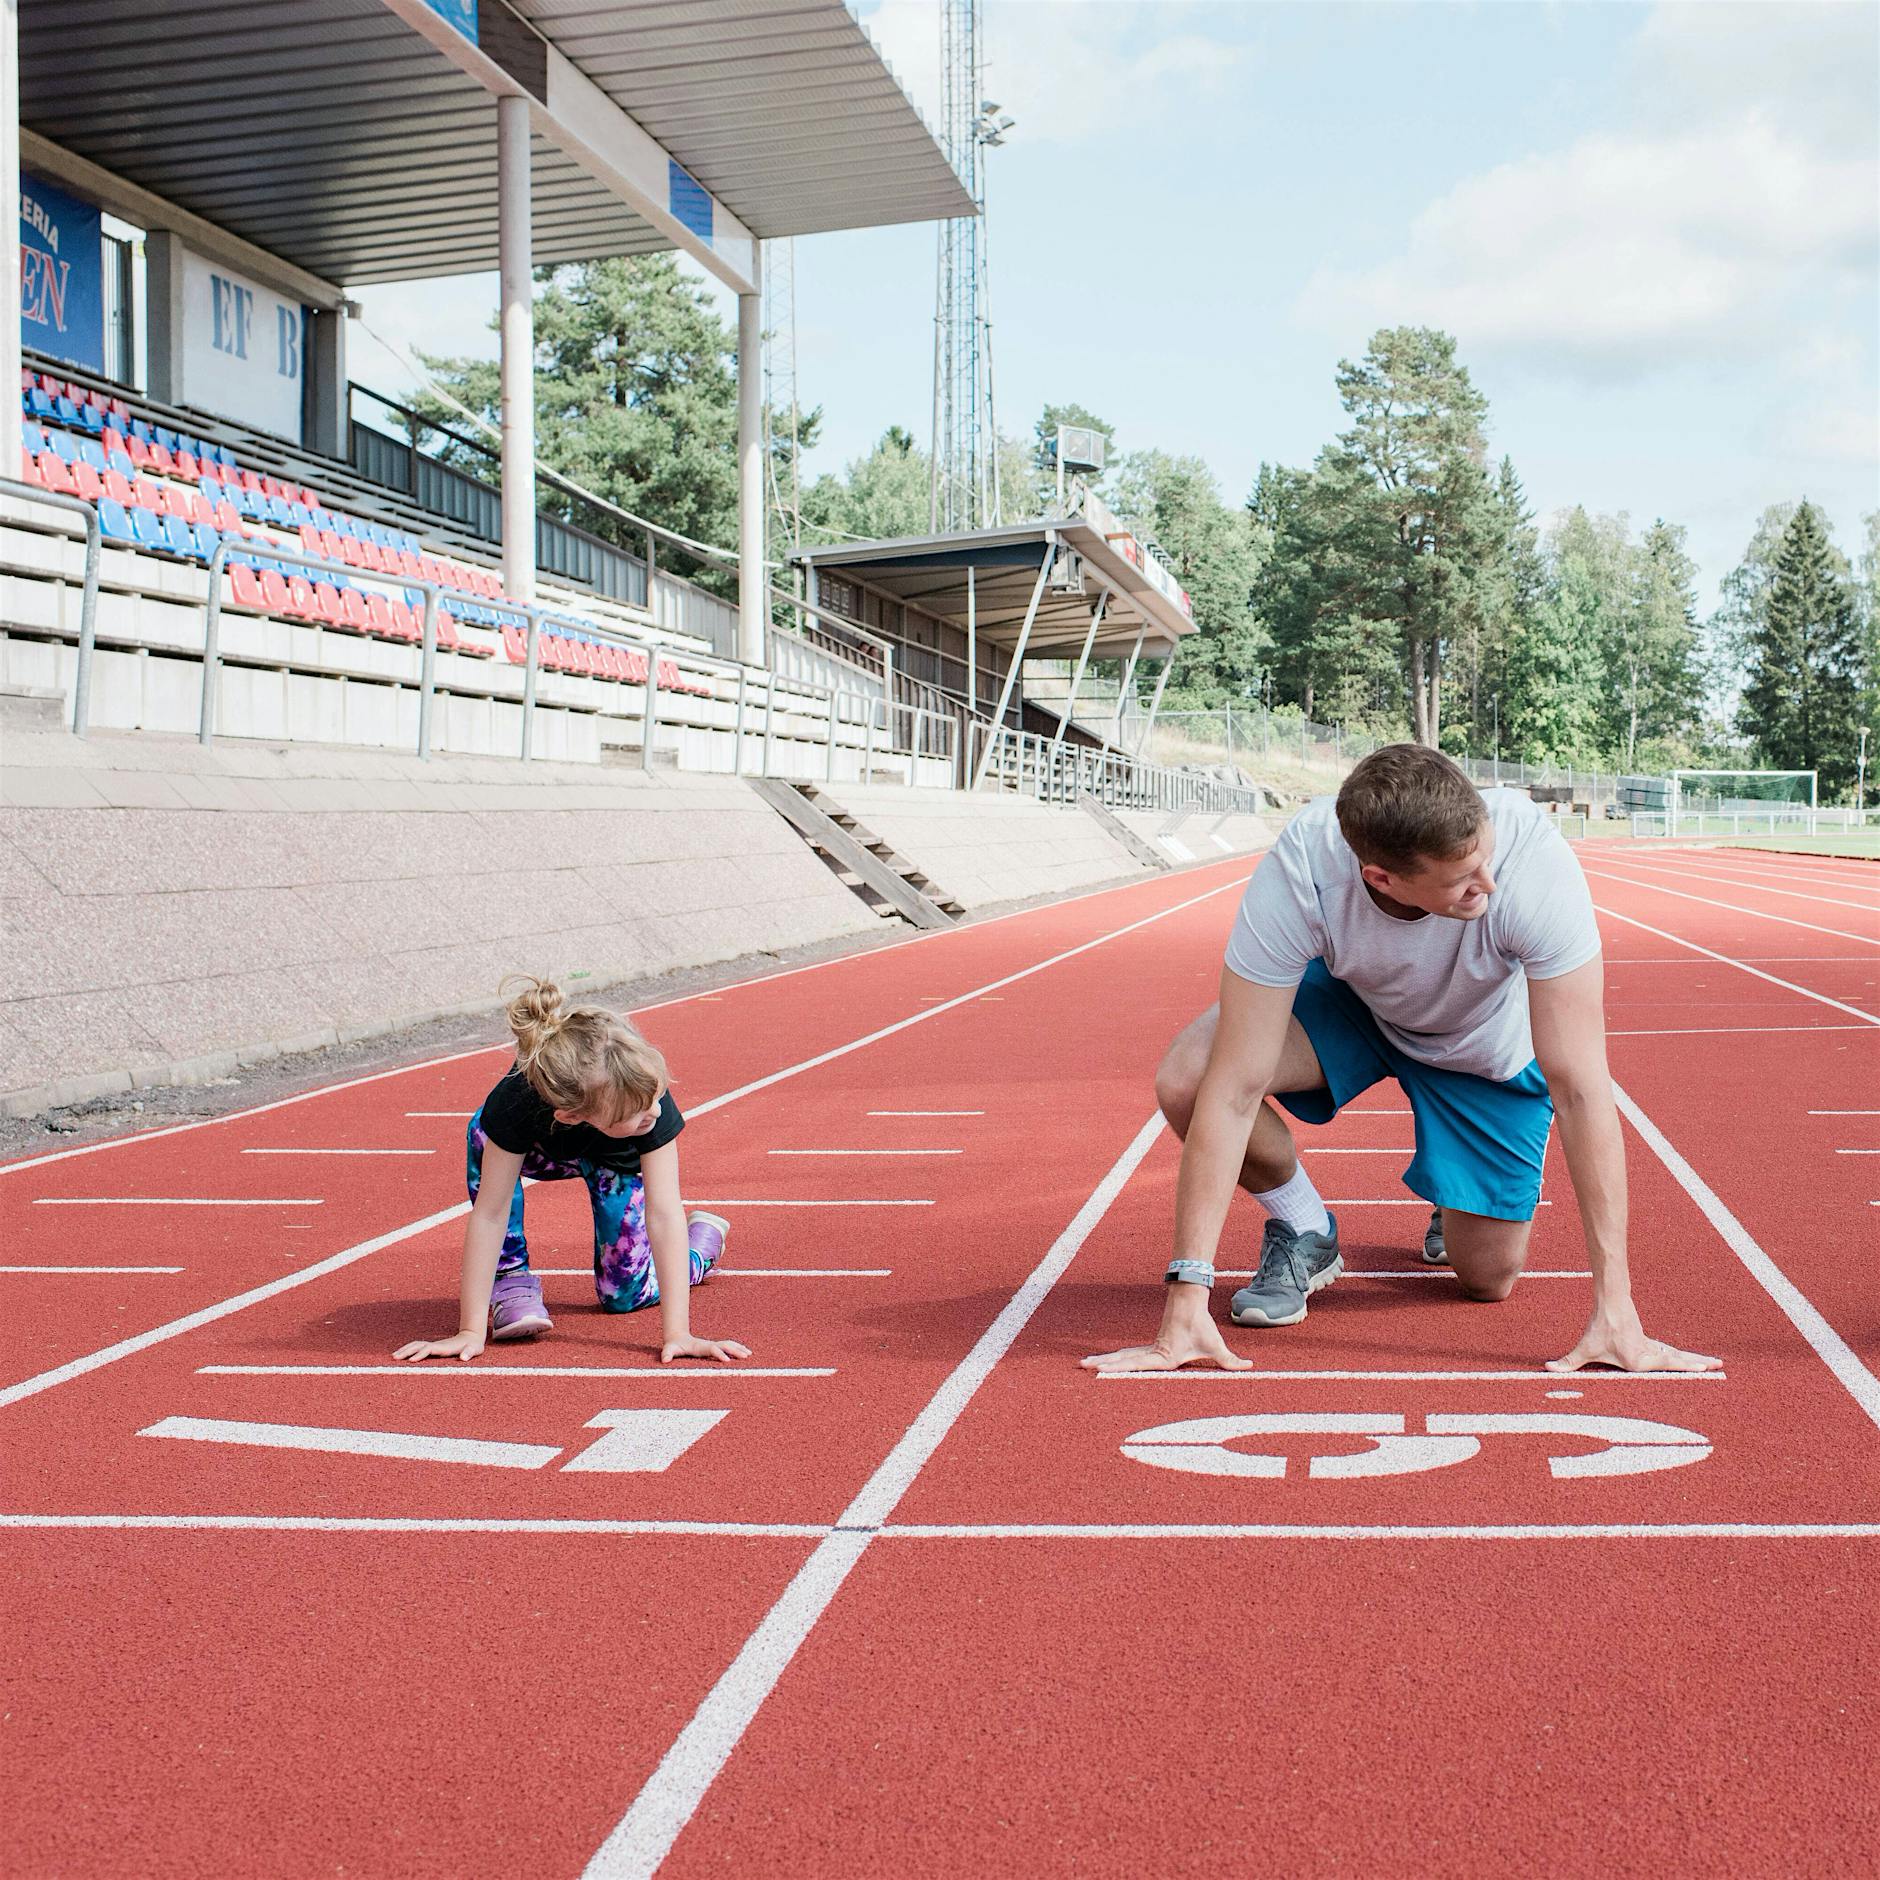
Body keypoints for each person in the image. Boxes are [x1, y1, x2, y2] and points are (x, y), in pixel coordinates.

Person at [1084, 743, 1718, 1377]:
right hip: (1361, 1006)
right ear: (1380, 877)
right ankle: (1306, 1229)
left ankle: (1457, 1200)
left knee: (1488, 1280)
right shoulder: (1304, 868)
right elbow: (1232, 1089)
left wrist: (1617, 1312)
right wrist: (1185, 1299)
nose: (1488, 885)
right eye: (1461, 878)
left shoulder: (1529, 862)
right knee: (1190, 1078)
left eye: (1485, 857)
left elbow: (1581, 1087)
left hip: (1483, 1049)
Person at [394, 976, 751, 1365]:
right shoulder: (517, 1102)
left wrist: (679, 1333)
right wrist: (469, 1330)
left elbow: (664, 1214)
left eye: (656, 1100)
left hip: (613, 1161)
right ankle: (511, 1280)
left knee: (625, 1296)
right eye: (641, 1114)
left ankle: (701, 1248)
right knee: (483, 1133)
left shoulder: (648, 1102)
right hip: (538, 1150)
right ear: (572, 1116)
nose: (656, 1112)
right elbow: (490, 1214)